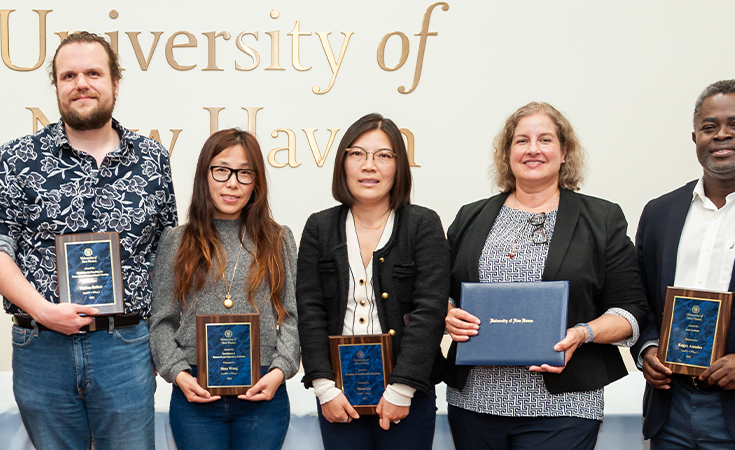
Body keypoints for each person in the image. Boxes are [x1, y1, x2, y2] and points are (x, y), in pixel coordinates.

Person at [0, 31, 177, 449]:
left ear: (115, 82)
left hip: (126, 347)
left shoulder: (152, 158)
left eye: (93, 73)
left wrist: (159, 342)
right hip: (41, 347)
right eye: (69, 76)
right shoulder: (16, 158)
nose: (81, 84)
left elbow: (165, 255)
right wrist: (44, 311)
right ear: (57, 87)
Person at [444, 101, 649, 449]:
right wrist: (448, 314)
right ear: (508, 153)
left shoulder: (601, 219)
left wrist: (582, 334)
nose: (533, 149)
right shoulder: (470, 217)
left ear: (564, 151)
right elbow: (439, 293)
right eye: (522, 141)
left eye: (545, 140)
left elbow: (630, 311)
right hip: (474, 405)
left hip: (565, 405)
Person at [632, 80, 735, 450]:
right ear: (695, 138)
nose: (722, 135)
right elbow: (638, 299)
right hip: (670, 411)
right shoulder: (660, 213)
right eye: (709, 127)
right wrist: (647, 348)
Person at [296, 113, 449, 450]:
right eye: (357, 154)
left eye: (383, 155)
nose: (369, 165)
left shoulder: (422, 224)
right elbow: (309, 311)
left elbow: (429, 310)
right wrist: (324, 388)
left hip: (408, 393)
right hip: (338, 396)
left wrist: (401, 389)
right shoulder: (319, 227)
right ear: (342, 164)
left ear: (399, 166)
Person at [149, 129, 300, 450]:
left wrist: (279, 371)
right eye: (221, 170)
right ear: (204, 175)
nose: (232, 183)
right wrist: (178, 374)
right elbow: (161, 322)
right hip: (195, 392)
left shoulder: (278, 239)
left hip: (264, 391)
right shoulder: (177, 241)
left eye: (244, 173)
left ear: (256, 182)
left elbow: (292, 317)